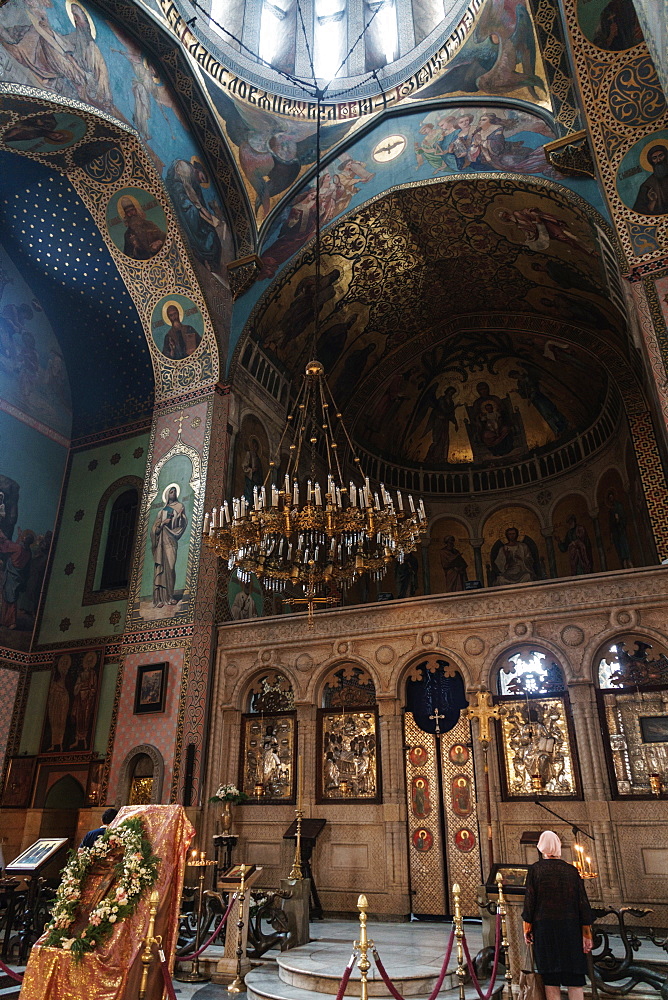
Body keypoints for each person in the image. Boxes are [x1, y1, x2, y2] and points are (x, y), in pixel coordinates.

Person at [522, 830, 594, 1000]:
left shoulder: (536, 870)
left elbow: (530, 901)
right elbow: (582, 902)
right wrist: (586, 933)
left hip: (545, 929)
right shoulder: (571, 871)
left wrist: (527, 928)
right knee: (574, 977)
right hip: (570, 928)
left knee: (550, 978)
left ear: (542, 848)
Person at [150, 485, 187, 608]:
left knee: (170, 567)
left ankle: (169, 596)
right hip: (161, 542)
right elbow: (153, 530)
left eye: (175, 491)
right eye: (171, 491)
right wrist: (162, 524)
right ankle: (160, 598)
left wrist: (180, 516)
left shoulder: (180, 507)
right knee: (160, 568)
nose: (173, 493)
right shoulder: (161, 511)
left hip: (171, 541)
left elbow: (182, 524)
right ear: (167, 494)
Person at [632, 144, 668, 216]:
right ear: (651, 161)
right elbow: (638, 214)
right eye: (654, 158)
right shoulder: (647, 186)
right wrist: (652, 201)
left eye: (661, 155)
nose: (658, 160)